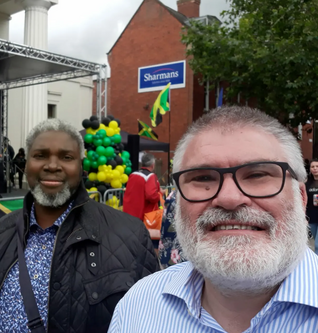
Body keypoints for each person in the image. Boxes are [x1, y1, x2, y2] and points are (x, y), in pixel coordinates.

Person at [109, 106, 318, 333]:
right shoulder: (137, 308)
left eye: (257, 175)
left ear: (301, 196)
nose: (229, 198)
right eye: (203, 177)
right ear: (178, 203)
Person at [0, 119, 159, 333]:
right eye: (40, 156)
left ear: (81, 165)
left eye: (66, 157)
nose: (52, 165)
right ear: (26, 163)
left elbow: (151, 319)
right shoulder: (1, 232)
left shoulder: (130, 234)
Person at [123, 153, 162, 245]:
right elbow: (151, 196)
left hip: (130, 213)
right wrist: (160, 194)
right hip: (144, 215)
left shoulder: (133, 174)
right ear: (152, 165)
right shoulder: (150, 176)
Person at [306, 159, 318, 255]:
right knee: (314, 238)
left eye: (317, 166)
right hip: (312, 216)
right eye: (313, 167)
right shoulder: (307, 184)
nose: (315, 168)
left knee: (317, 244)